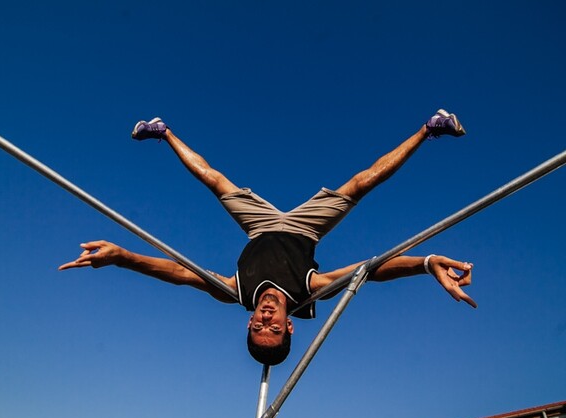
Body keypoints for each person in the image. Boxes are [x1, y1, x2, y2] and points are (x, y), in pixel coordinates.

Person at [60, 109, 476, 366]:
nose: (265, 318)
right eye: (273, 328)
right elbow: (369, 271)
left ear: (249, 321)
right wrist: (425, 263)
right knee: (361, 183)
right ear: (289, 328)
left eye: (258, 326)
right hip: (302, 228)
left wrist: (121, 257)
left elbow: (178, 272)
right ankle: (430, 128)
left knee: (212, 179)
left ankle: (163, 131)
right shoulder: (307, 292)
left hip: (259, 225)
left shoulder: (238, 292)